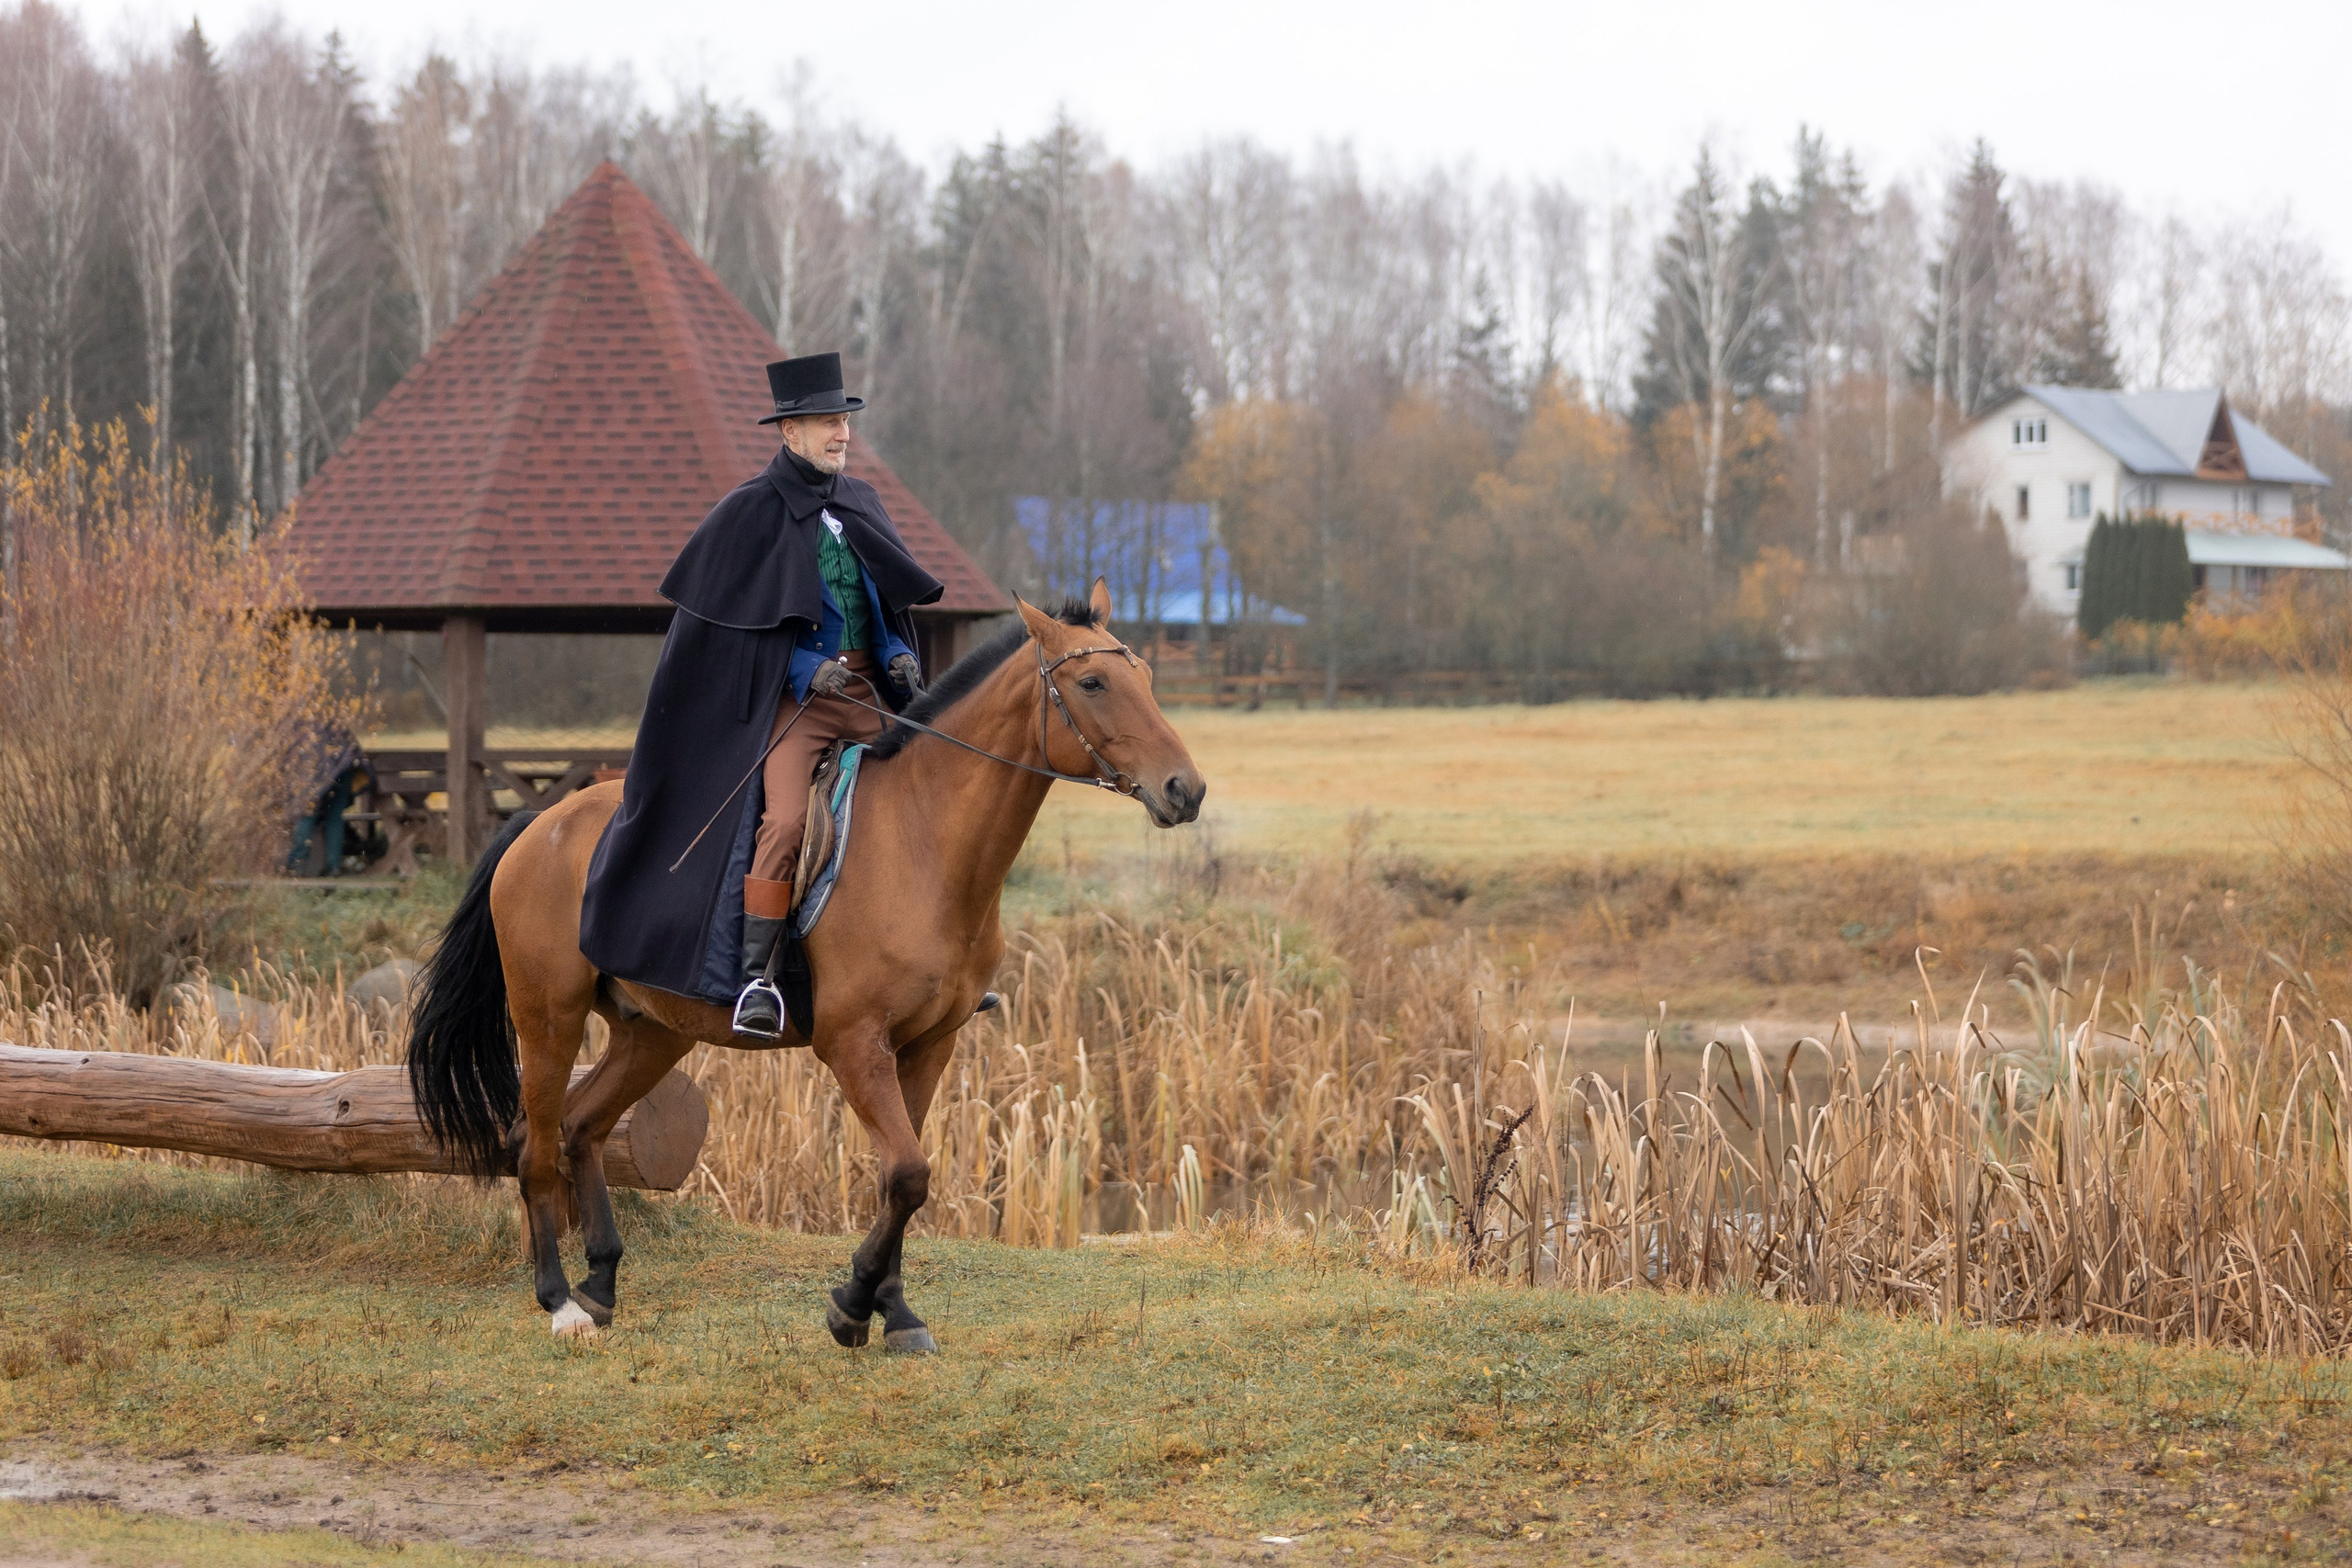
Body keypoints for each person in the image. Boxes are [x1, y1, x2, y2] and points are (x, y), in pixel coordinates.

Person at [579, 352, 944, 1037]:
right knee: (782, 823)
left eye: (843, 420)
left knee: (934, 799)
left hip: (868, 695)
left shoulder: (861, 502)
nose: (841, 433)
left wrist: (895, 657)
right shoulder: (747, 513)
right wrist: (807, 671)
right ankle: (757, 980)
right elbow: (737, 638)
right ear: (789, 433)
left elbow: (882, 608)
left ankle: (936, 963)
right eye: (825, 422)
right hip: (797, 706)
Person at [287, 728, 365, 877]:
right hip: (343, 766)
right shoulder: (336, 716)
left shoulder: (303, 720)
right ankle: (333, 866)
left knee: (308, 813)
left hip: (317, 768)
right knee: (335, 817)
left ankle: (296, 865)